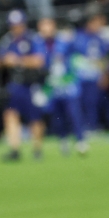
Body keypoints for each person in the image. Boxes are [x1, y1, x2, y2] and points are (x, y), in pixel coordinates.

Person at [0, 10, 46, 161]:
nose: (16, 28)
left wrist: (18, 60)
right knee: (10, 114)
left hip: (32, 83)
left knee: (35, 117)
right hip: (15, 83)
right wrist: (1, 61)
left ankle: (37, 149)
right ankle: (15, 149)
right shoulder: (7, 40)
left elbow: (39, 60)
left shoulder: (32, 38)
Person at [33, 17, 87, 156]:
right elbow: (40, 62)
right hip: (52, 85)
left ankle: (80, 140)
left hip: (67, 82)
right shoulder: (38, 43)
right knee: (57, 115)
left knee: (74, 112)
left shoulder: (64, 40)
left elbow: (77, 51)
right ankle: (63, 140)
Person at [72, 9, 109, 134]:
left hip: (95, 76)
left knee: (95, 101)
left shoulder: (100, 39)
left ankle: (94, 126)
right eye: (97, 23)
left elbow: (106, 59)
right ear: (90, 23)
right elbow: (74, 59)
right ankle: (99, 124)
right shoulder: (79, 37)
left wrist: (106, 74)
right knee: (88, 102)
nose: (99, 26)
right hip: (81, 77)